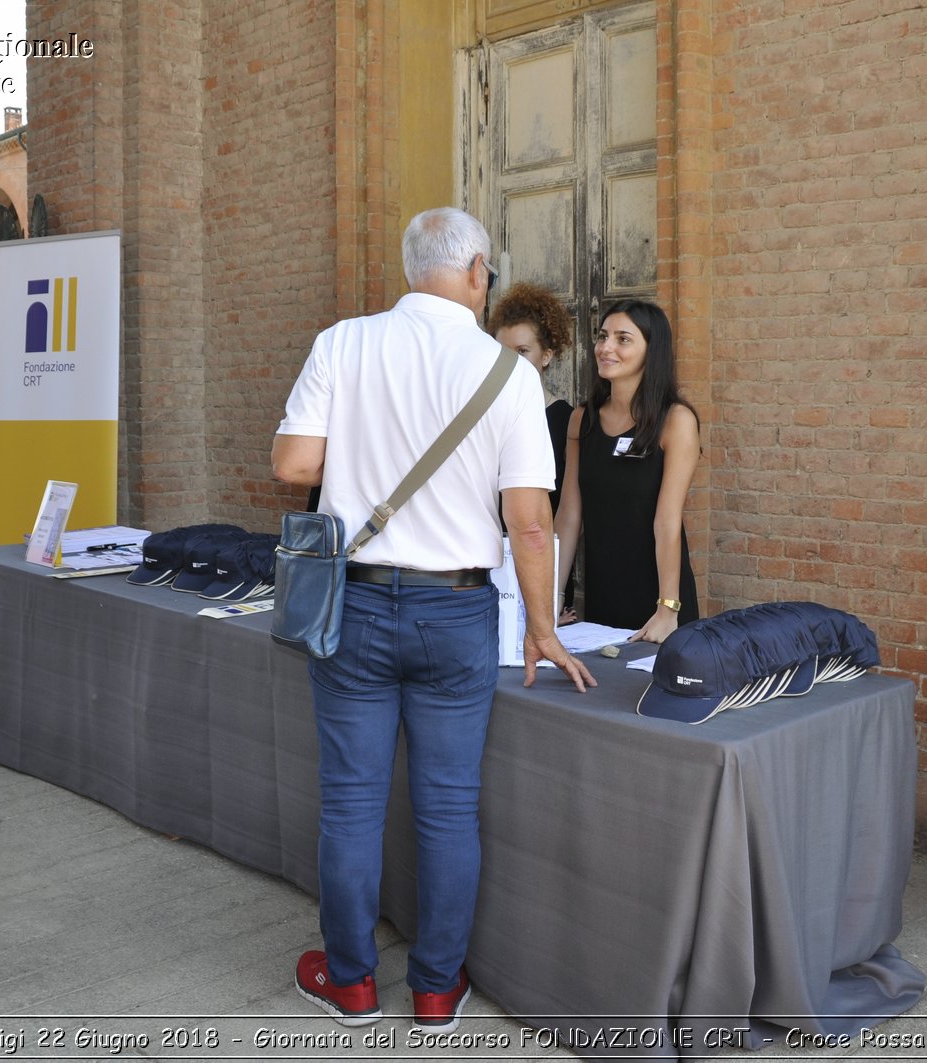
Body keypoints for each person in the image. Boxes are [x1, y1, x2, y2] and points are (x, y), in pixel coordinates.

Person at [273, 206, 594, 1035]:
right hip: (455, 610)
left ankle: (348, 984)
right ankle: (435, 990)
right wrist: (541, 627)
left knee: (350, 803)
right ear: (479, 271)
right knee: (448, 806)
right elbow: (529, 520)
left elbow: (294, 464)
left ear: (413, 266)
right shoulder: (508, 374)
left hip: (356, 600)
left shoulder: (342, 343)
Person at [555, 299, 700, 643]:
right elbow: (568, 516)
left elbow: (667, 521)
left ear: (653, 350)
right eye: (603, 336)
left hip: (658, 598)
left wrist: (667, 609)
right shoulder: (582, 419)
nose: (606, 348)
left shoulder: (675, 421)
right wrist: (550, 598)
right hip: (603, 594)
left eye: (623, 339)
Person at [489, 280, 576, 618]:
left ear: (547, 356)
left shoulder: (566, 420)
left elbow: (568, 514)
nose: (510, 362)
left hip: (542, 574)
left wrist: (554, 591)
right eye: (503, 352)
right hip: (487, 570)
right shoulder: (482, 419)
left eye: (522, 352)